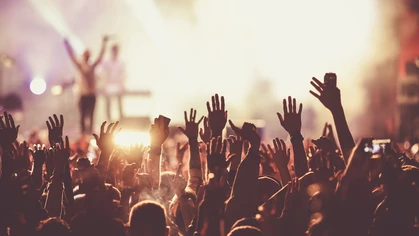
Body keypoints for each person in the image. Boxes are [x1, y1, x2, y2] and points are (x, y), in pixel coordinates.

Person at [64, 36, 109, 134]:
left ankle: (89, 133)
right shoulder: (81, 66)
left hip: (91, 94)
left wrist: (104, 44)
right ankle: (83, 134)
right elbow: (72, 56)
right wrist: (67, 45)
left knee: (91, 115)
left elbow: (100, 57)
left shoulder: (92, 67)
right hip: (83, 94)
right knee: (83, 116)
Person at [100, 44, 126, 121]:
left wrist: (122, 85)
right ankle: (109, 121)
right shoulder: (106, 61)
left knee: (119, 104)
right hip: (108, 86)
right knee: (108, 104)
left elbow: (123, 74)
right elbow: (104, 74)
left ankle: (121, 120)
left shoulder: (121, 61)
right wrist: (104, 85)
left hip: (118, 85)